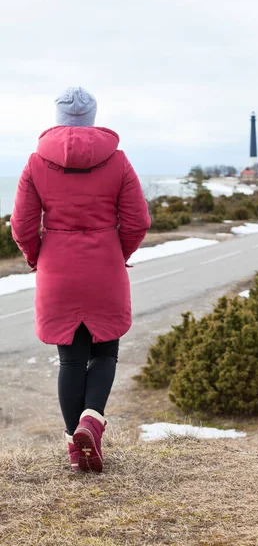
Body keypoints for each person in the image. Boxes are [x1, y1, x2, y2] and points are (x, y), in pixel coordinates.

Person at [11, 87, 151, 473]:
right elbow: (138, 221)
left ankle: (78, 447)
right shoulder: (118, 161)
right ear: (92, 118)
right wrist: (118, 252)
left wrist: (37, 256)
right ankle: (92, 421)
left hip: (57, 270)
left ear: (58, 118)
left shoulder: (36, 162)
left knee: (70, 362)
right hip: (105, 268)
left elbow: (22, 226)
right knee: (105, 353)